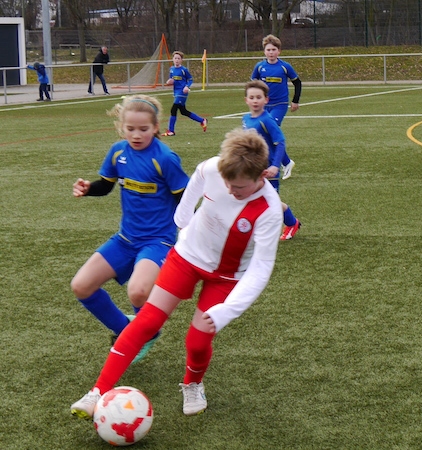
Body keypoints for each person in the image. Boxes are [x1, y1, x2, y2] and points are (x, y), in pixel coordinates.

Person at [70, 127, 284, 419]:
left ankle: (193, 384)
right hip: (186, 258)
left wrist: (228, 310)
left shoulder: (269, 210)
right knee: (146, 321)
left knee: (197, 340)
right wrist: (183, 219)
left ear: (262, 176)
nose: (231, 191)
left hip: (226, 277)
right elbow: (198, 177)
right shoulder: (213, 168)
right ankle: (97, 392)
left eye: (239, 188)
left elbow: (260, 269)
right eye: (227, 183)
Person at [70, 94, 190, 363]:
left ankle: (145, 334)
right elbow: (106, 186)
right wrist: (88, 188)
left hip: (158, 241)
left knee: (138, 291)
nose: (136, 135)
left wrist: (190, 235)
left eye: (144, 129)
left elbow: (185, 199)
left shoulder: (165, 158)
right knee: (81, 286)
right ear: (121, 127)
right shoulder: (118, 152)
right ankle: (128, 331)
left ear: (156, 127)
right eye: (130, 129)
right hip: (125, 239)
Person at [242, 80, 302, 240]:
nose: (255, 101)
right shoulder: (246, 119)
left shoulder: (267, 120)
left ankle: (292, 223)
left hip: (268, 169)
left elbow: (280, 142)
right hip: (252, 169)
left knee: (271, 203)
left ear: (266, 100)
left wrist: (275, 165)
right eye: (252, 97)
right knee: (251, 198)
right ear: (246, 100)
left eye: (259, 97)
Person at [251, 34, 300, 180]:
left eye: (274, 50)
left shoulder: (285, 67)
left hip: (280, 105)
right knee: (266, 134)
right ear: (264, 51)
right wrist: (254, 100)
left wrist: (295, 100)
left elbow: (297, 82)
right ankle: (286, 162)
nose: (271, 52)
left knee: (269, 131)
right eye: (268, 50)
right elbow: (253, 85)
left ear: (279, 51)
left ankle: (277, 164)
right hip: (264, 106)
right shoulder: (259, 67)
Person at [162, 51, 208, 136]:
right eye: (175, 58)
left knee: (173, 109)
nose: (177, 60)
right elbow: (171, 79)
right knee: (183, 111)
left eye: (178, 58)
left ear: (181, 60)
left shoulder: (184, 70)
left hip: (182, 92)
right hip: (176, 92)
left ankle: (171, 131)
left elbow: (190, 79)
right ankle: (202, 120)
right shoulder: (172, 69)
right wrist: (169, 82)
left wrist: (187, 87)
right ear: (173, 59)